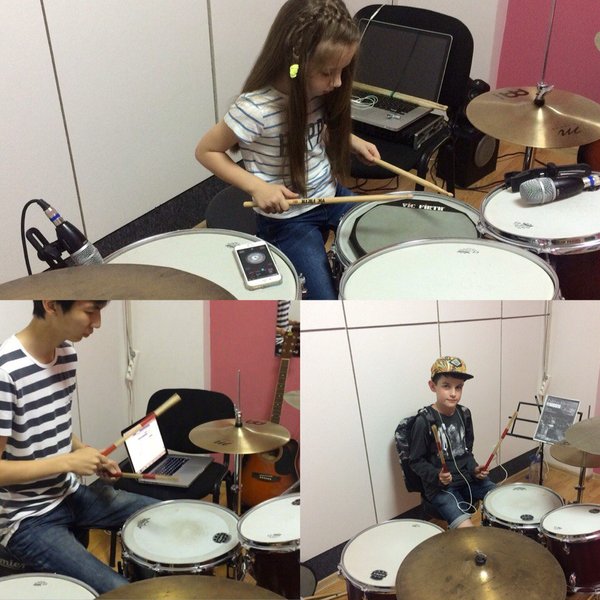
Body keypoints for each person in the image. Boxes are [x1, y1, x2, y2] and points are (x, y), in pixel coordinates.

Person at [195, 0, 380, 299]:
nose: (337, 82)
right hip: (289, 219)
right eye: (328, 72)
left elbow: (316, 132)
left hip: (331, 194)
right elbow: (206, 151)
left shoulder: (318, 92)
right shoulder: (256, 108)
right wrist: (257, 187)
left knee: (384, 247)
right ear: (296, 62)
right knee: (322, 299)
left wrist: (350, 141)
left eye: (342, 71)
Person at [0, 300, 158, 594]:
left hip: (69, 493)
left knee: (162, 517)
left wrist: (88, 453)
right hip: (27, 519)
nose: (97, 323)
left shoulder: (66, 355)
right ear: (51, 304)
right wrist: (69, 463)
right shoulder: (5, 372)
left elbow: (52, 423)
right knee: (119, 590)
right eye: (90, 311)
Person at [409, 356, 495, 528]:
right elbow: (415, 461)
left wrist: (474, 469)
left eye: (459, 387)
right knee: (467, 531)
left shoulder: (465, 414)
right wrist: (437, 475)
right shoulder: (424, 421)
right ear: (432, 386)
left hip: (468, 479)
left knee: (503, 499)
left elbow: (466, 453)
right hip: (441, 488)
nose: (454, 393)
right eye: (446, 386)